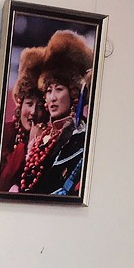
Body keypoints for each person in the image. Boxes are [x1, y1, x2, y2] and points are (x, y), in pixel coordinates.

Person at [18, 30, 94, 196]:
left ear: (73, 93)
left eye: (59, 89)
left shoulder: (80, 138)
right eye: (48, 90)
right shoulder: (41, 137)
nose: (52, 98)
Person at [0, 46, 47, 193]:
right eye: (29, 104)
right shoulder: (5, 133)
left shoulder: (48, 139)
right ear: (20, 104)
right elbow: (2, 183)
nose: (33, 112)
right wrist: (27, 146)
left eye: (40, 106)